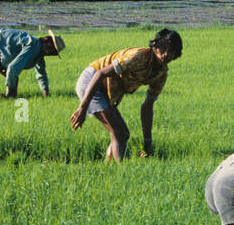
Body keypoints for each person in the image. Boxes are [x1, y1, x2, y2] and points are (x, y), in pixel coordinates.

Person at [69, 28, 182, 161]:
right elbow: (100, 74)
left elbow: (147, 107)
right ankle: (122, 171)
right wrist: (83, 108)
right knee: (118, 132)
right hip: (92, 81)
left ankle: (109, 171)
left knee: (123, 134)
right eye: (163, 48)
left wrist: (147, 142)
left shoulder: (161, 75)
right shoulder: (137, 57)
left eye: (171, 51)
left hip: (107, 89)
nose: (166, 54)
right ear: (154, 46)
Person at [0, 26, 64, 102]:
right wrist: (10, 92)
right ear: (45, 40)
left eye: (53, 52)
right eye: (51, 47)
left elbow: (41, 74)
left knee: (12, 92)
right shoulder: (32, 45)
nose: (50, 52)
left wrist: (46, 94)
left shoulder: (39, 54)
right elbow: (13, 68)